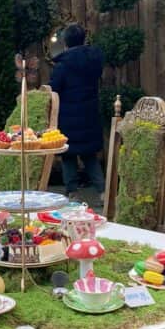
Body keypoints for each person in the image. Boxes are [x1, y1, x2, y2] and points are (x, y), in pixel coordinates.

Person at [49, 24, 105, 199]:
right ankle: (103, 191)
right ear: (84, 39)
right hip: (90, 114)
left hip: (68, 117)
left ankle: (72, 192)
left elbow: (53, 90)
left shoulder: (62, 66)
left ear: (65, 42)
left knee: (68, 155)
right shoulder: (94, 61)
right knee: (89, 155)